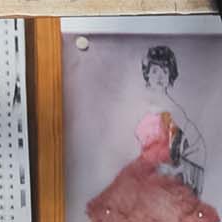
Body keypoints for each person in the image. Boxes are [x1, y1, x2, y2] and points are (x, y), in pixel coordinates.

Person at [86, 45, 216, 221]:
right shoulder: (139, 107)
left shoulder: (174, 111)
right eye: (155, 71)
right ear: (147, 74)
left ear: (171, 75)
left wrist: (178, 168)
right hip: (140, 172)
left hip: (164, 177)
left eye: (164, 71)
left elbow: (195, 146)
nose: (159, 77)